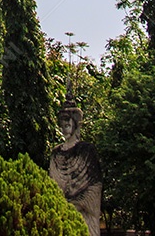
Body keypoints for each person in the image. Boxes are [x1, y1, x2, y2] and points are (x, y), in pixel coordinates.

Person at [49, 95, 103, 236]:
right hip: (61, 214)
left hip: (83, 215)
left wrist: (76, 203)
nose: (64, 127)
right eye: (62, 124)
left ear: (75, 123)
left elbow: (95, 187)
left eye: (67, 123)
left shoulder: (86, 151)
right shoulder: (55, 153)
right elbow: (51, 186)